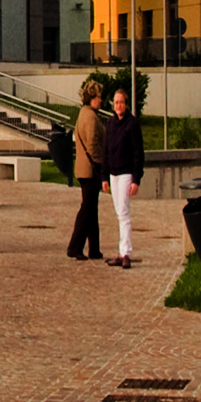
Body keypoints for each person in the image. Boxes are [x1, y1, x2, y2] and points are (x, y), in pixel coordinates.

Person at [89, 74, 147, 268]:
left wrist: (136, 179)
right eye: (116, 103)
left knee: (123, 213)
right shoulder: (111, 124)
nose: (118, 106)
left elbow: (138, 153)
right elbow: (106, 150)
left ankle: (125, 253)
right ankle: (122, 251)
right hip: (113, 174)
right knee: (119, 212)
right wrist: (104, 177)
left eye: (121, 102)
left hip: (126, 172)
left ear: (127, 104)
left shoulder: (132, 124)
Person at [64, 80, 115, 259]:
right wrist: (100, 163)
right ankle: (75, 247)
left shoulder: (83, 114)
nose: (101, 101)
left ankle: (94, 248)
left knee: (91, 210)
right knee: (87, 210)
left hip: (84, 168)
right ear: (91, 98)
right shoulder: (91, 117)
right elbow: (93, 143)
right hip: (91, 170)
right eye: (99, 97)